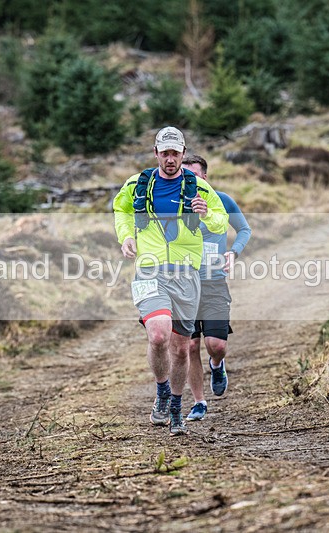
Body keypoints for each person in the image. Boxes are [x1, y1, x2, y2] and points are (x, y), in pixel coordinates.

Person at [113, 127, 227, 436]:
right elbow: (121, 209)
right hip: (150, 270)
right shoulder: (138, 185)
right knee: (159, 335)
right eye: (165, 153)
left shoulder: (198, 187)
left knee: (180, 349)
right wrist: (125, 237)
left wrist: (206, 215)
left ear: (183, 153)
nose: (170, 159)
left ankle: (176, 405)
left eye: (175, 153)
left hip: (186, 274)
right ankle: (162, 391)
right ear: (156, 153)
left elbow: (221, 219)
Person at [182, 155, 251, 422]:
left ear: (205, 178)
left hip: (213, 281)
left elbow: (244, 229)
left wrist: (233, 252)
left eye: (194, 176)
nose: (189, 182)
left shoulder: (221, 200)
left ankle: (217, 364)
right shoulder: (174, 205)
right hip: (183, 283)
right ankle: (199, 402)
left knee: (216, 344)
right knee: (190, 346)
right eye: (184, 177)